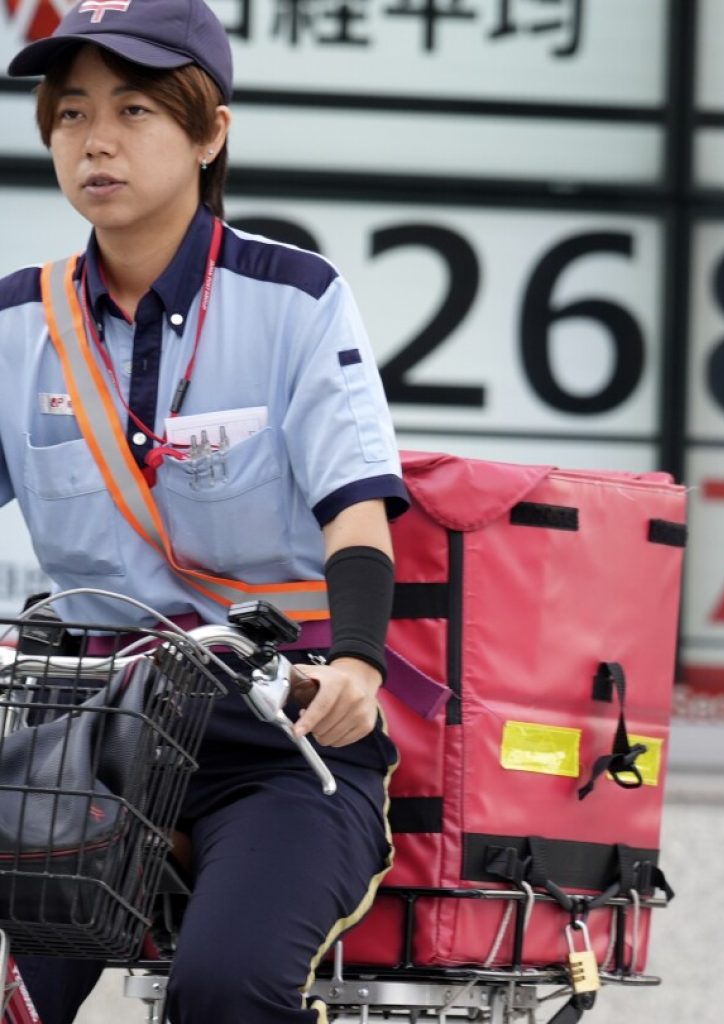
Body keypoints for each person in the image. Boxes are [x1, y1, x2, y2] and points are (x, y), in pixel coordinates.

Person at [1, 1, 408, 1020]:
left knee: (227, 990)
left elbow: (356, 503)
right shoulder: (14, 322)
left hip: (280, 735)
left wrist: (357, 663)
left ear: (208, 130)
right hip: (80, 748)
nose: (95, 139)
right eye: (70, 113)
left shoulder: (295, 297)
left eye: (134, 109)